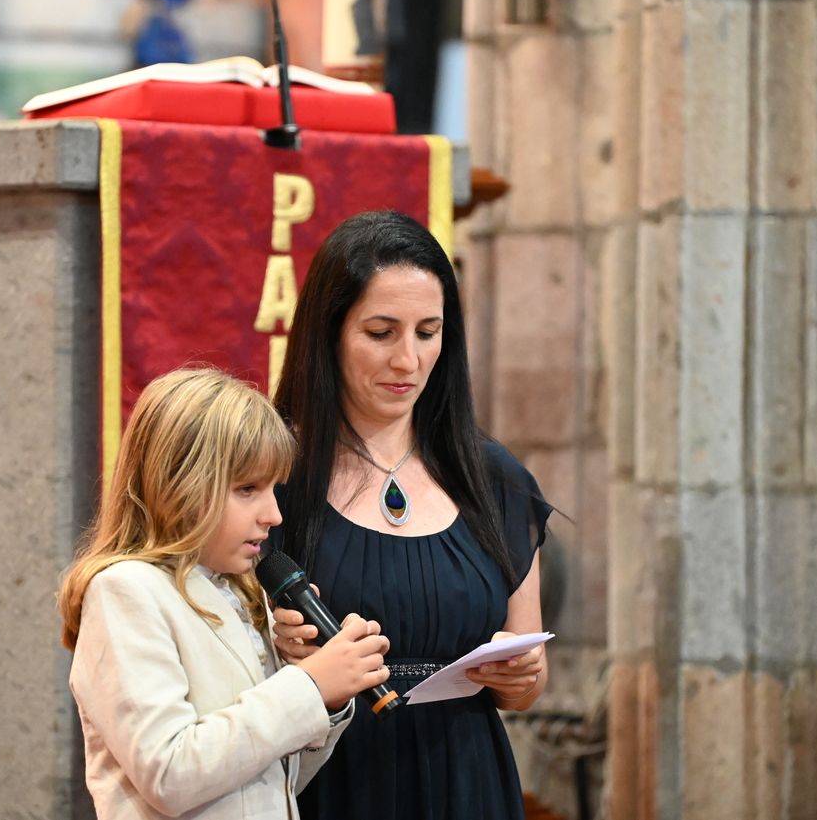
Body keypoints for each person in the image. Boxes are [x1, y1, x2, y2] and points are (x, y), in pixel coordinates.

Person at [268, 210, 552, 820]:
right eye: (381, 332)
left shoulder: (495, 478)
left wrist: (520, 674)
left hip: (468, 777)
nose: (408, 361)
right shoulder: (273, 476)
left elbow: (527, 685)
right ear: (329, 332)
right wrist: (277, 650)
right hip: (334, 777)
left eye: (428, 332)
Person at [57, 368, 393, 820]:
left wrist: (326, 695)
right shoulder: (126, 591)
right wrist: (308, 686)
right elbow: (169, 775)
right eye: (247, 489)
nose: (273, 513)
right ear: (178, 484)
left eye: (274, 489)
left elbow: (275, 784)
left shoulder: (244, 594)